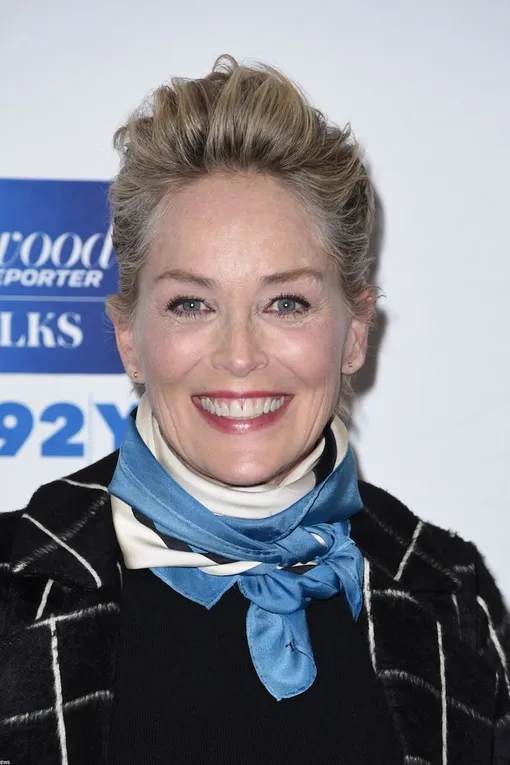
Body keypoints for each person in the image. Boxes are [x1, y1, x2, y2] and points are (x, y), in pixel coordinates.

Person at [0, 56, 508, 765]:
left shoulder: (449, 589)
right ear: (128, 339)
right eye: (191, 304)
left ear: (355, 332)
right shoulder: (13, 586)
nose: (239, 355)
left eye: (286, 302)